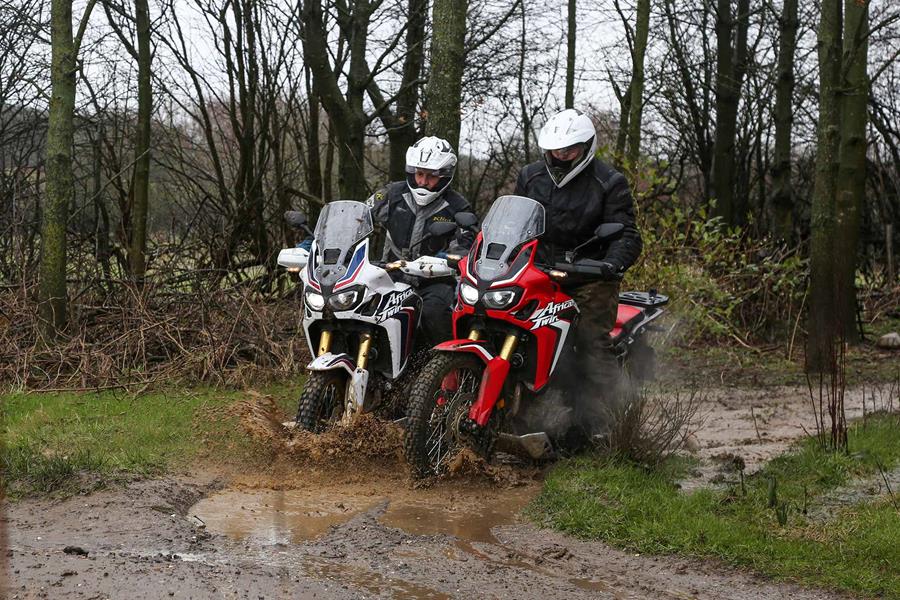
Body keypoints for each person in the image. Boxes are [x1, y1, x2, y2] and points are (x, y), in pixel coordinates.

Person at [514, 108, 643, 433]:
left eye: (569, 150)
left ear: (586, 147)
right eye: (556, 150)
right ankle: (510, 411)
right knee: (510, 325)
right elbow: (514, 218)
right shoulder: (531, 176)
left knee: (589, 341)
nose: (561, 156)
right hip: (537, 270)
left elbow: (627, 233)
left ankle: (616, 422)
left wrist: (611, 263)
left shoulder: (608, 182)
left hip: (589, 276)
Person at [368, 136, 476, 346]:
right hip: (390, 274)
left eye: (430, 177)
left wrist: (451, 258)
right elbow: (360, 218)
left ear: (444, 176)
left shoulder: (457, 206)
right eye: (419, 174)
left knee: (433, 313)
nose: (423, 182)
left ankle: (445, 371)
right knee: (361, 306)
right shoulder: (392, 194)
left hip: (435, 282)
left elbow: (467, 244)